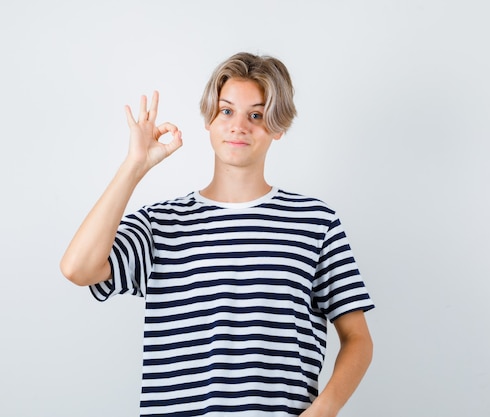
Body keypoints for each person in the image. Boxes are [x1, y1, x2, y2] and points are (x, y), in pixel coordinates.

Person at [60, 52, 374, 417]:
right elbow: (77, 269)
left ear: (278, 126)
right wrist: (134, 165)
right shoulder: (161, 223)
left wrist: (324, 411)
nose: (239, 126)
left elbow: (357, 338)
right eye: (226, 111)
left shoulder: (315, 222)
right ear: (208, 119)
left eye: (256, 115)